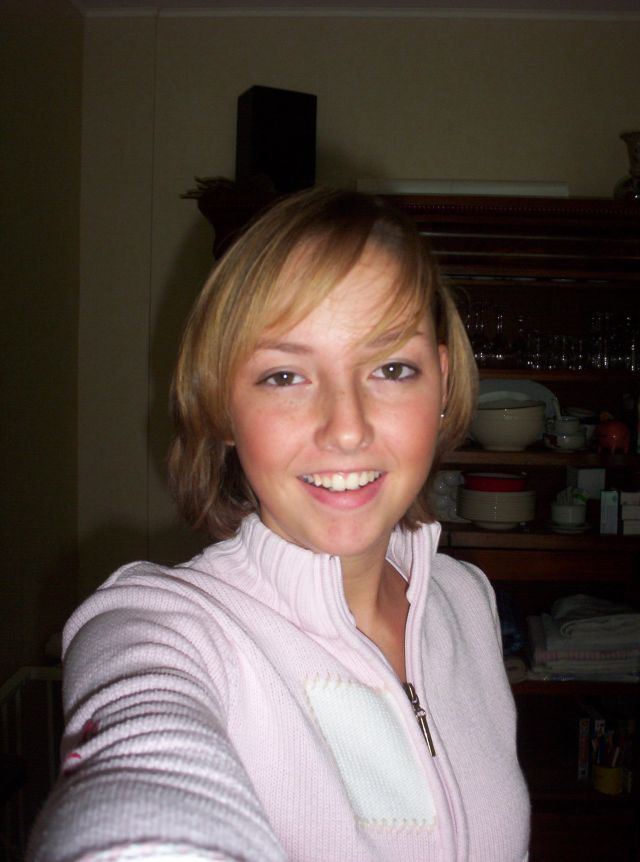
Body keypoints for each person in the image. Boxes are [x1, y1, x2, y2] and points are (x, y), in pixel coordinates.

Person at [28, 188, 530, 862]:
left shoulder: (466, 601)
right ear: (221, 406)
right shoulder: (159, 627)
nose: (346, 429)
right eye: (286, 376)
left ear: (440, 383)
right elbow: (141, 776)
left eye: (391, 368)